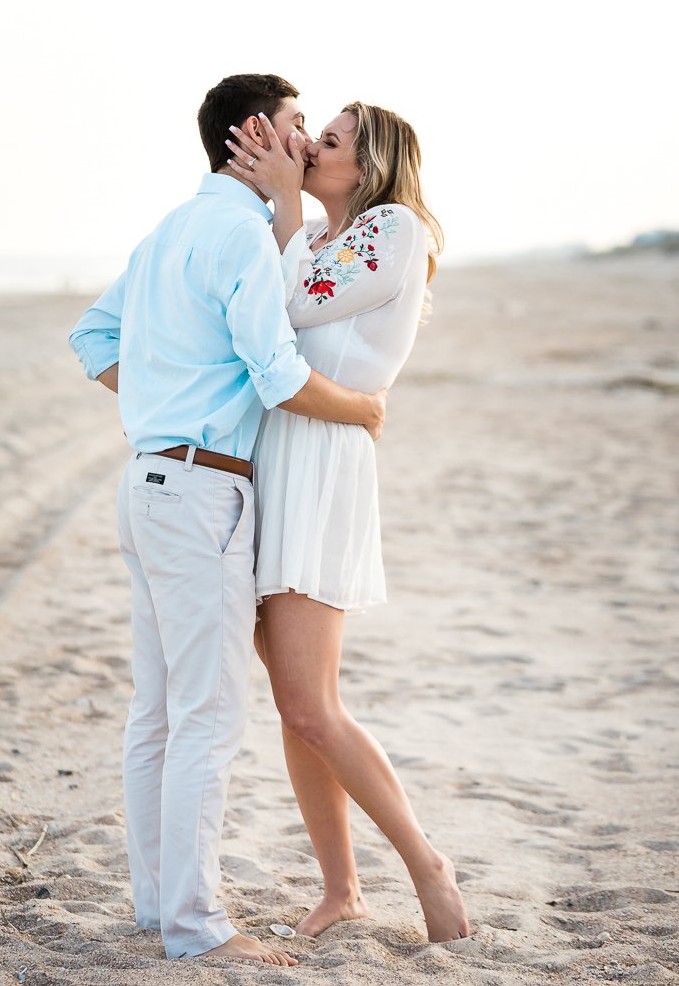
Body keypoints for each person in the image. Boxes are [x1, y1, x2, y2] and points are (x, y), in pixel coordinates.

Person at [68, 73, 390, 966]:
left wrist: (162, 399)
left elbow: (92, 338)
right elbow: (280, 375)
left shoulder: (171, 227)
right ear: (256, 133)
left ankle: (156, 907)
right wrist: (364, 411)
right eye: (297, 125)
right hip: (202, 490)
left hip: (148, 483)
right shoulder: (244, 235)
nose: (305, 141)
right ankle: (198, 926)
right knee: (206, 717)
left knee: (159, 712)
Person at [224, 102, 470, 944]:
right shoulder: (322, 235)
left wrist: (285, 201)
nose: (308, 146)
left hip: (322, 466)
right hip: (278, 460)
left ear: (366, 167)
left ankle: (426, 866)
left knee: (310, 703)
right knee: (297, 704)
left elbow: (284, 306)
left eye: (327, 141)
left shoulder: (393, 227)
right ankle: (342, 888)